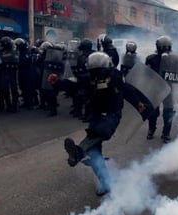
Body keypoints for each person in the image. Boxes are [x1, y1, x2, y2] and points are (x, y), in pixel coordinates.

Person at [49, 52, 145, 196]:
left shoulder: (116, 76)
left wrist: (138, 102)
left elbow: (127, 90)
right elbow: (73, 84)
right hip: (96, 115)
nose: (98, 75)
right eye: (95, 72)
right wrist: (57, 82)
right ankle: (105, 182)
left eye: (100, 72)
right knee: (94, 153)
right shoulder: (90, 77)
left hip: (112, 115)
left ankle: (78, 152)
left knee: (98, 133)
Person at [145, 35, 178, 143]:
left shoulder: (174, 59)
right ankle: (155, 130)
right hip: (157, 88)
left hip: (166, 88)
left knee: (167, 111)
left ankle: (164, 133)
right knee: (155, 112)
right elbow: (146, 74)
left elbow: (177, 75)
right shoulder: (151, 59)